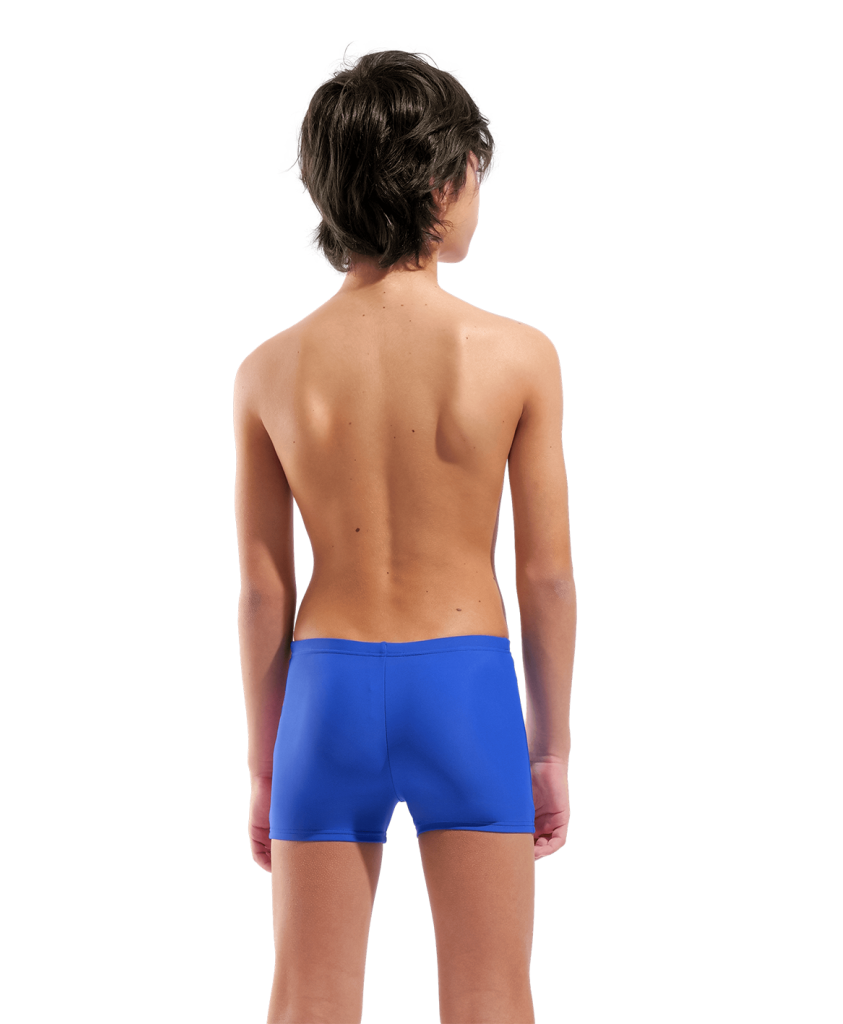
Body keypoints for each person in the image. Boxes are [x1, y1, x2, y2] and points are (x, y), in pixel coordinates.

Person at [234, 49, 575, 1024]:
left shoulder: (268, 371)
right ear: (441, 181)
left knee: (307, 998)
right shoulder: (517, 356)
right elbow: (547, 578)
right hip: (465, 687)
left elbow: (262, 593)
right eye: (476, 173)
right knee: (490, 995)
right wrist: (548, 746)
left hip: (325, 695)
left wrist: (265, 762)